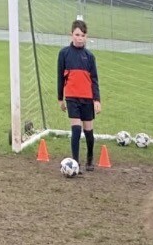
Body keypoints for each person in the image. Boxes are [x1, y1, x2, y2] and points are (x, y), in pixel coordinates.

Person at [57, 20, 101, 172]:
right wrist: (60, 98)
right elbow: (60, 77)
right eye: (77, 35)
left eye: (82, 35)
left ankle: (89, 158)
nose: (79, 38)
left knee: (88, 131)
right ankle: (75, 163)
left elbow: (94, 80)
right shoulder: (64, 54)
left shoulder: (89, 56)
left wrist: (97, 100)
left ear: (86, 37)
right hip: (71, 97)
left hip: (87, 98)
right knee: (76, 129)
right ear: (71, 35)